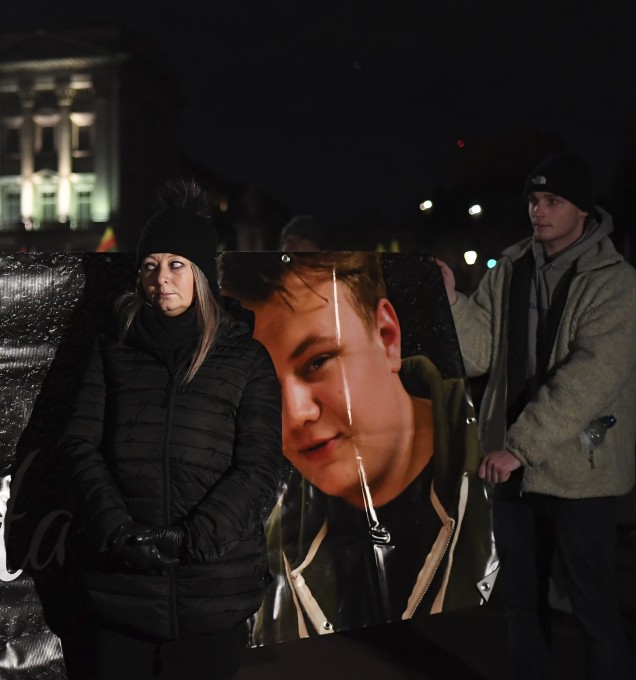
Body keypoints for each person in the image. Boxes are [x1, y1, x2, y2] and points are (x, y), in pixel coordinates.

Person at [59, 180, 284, 680]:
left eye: (176, 264)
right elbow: (78, 444)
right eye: (150, 265)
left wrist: (190, 540)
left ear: (201, 273)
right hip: (121, 590)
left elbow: (260, 467)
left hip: (212, 591)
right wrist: (118, 532)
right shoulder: (112, 349)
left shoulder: (246, 359)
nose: (161, 278)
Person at [220, 251, 497, 640]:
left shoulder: (493, 479)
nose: (295, 413)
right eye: (262, 382)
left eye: (318, 361)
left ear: (387, 338)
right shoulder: (269, 539)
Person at [438, 152, 636, 680]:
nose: (538, 210)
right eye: (533, 199)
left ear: (584, 210)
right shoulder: (511, 268)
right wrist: (453, 299)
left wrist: (518, 447)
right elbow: (479, 352)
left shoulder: (614, 282)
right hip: (512, 472)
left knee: (595, 613)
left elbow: (589, 381)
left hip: (580, 475)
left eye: (553, 200)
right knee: (523, 609)